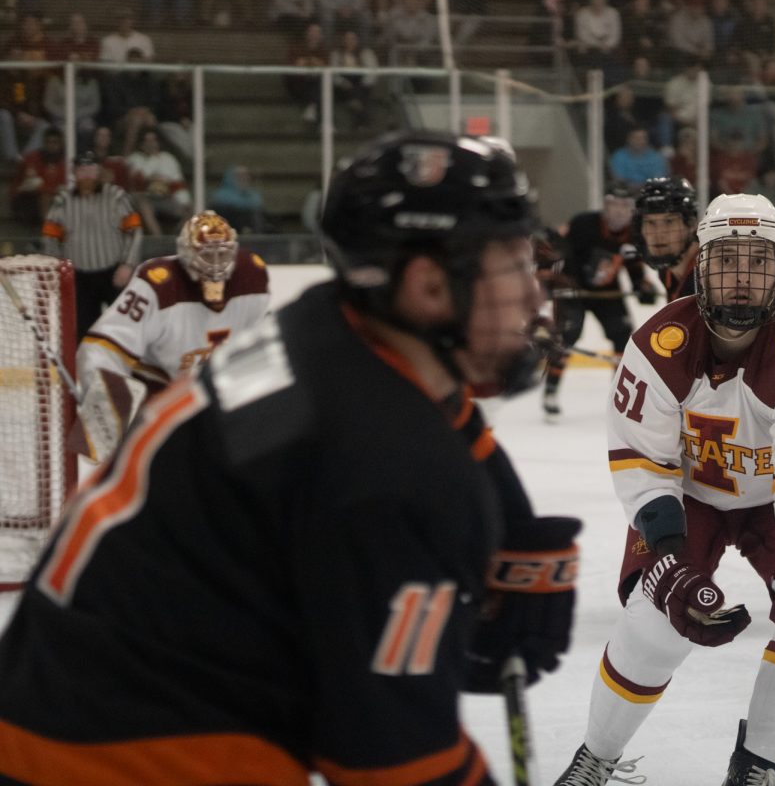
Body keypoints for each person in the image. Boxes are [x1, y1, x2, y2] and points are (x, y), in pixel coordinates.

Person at [0, 130, 581, 784]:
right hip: (132, 761)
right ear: (426, 285)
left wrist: (516, 525)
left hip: (44, 709)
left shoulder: (327, 332)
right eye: (510, 265)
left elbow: (439, 421)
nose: (533, 296)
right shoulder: (390, 471)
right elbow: (397, 762)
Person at [552, 193, 775, 786]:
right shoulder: (657, 344)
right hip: (690, 499)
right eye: (727, 262)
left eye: (758, 263)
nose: (743, 279)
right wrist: (668, 553)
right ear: (701, 266)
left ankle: (757, 767)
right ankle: (595, 758)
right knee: (654, 621)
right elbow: (642, 460)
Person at [72, 210, 270, 461]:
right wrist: (107, 407)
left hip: (210, 404)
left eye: (223, 253)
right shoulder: (157, 284)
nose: (217, 264)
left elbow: (258, 348)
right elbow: (101, 348)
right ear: (186, 254)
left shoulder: (252, 275)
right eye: (207, 255)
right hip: (154, 400)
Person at [542, 183, 657, 417]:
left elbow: (634, 267)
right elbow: (555, 253)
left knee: (623, 336)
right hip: (573, 290)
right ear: (605, 206)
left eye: (624, 207)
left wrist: (642, 286)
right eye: (613, 205)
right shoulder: (583, 224)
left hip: (607, 292)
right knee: (567, 334)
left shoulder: (635, 234)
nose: (618, 212)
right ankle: (551, 390)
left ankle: (619, 393)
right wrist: (551, 280)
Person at [41, 151, 144, 343]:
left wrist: (128, 265)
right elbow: (50, 237)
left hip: (113, 274)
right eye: (82, 170)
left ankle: (125, 368)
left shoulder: (116, 196)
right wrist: (58, 267)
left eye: (91, 170)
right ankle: (85, 370)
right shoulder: (63, 200)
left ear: (99, 172)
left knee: (124, 326)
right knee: (83, 330)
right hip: (79, 278)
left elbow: (135, 231)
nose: (87, 175)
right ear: (74, 173)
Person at [632, 175, 699, 302]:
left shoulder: (712, 274)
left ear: (691, 223)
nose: (659, 234)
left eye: (669, 221)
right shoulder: (667, 271)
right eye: (650, 223)